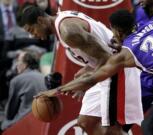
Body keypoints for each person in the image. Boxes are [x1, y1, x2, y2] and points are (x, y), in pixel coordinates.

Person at [41, 9, 153, 135]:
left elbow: (91, 80)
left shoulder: (125, 54)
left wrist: (57, 90)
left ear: (118, 32)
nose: (111, 35)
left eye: (112, 31)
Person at [17, 4, 143, 135]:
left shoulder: (68, 32)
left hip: (120, 71)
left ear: (40, 20)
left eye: (32, 30)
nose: (33, 36)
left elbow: (107, 57)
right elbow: (102, 52)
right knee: (85, 122)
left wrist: (80, 84)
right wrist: (87, 70)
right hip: (110, 70)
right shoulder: (61, 18)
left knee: (109, 129)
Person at [0, 50, 47, 130]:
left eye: (18, 61)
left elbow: (10, 114)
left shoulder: (17, 80)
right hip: (42, 122)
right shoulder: (45, 78)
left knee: (3, 124)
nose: (16, 65)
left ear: (25, 65)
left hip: (23, 122)